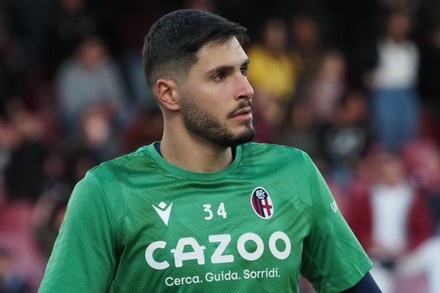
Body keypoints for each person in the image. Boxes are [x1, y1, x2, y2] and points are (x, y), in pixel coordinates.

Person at [39, 9, 380, 292]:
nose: (246, 89)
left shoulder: (294, 173)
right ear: (168, 94)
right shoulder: (106, 192)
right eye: (220, 75)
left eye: (243, 71)